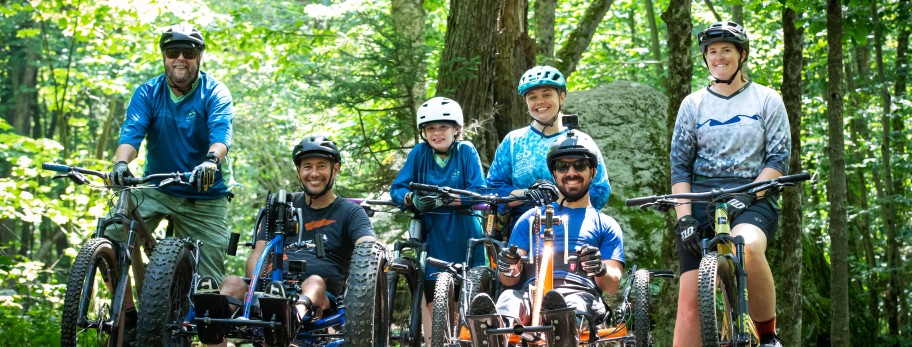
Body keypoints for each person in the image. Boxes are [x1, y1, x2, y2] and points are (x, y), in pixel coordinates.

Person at [670, 21, 791, 347]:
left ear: (742, 55)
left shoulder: (766, 99)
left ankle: (768, 336)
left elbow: (778, 161)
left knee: (747, 246)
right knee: (689, 305)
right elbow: (680, 169)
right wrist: (684, 218)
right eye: (712, 52)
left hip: (754, 195)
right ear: (705, 58)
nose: (719, 57)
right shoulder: (692, 104)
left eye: (726, 50)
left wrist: (748, 196)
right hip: (701, 198)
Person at [201, 135, 378, 346]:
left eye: (321, 166)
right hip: (271, 290)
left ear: (335, 169)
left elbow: (367, 243)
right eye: (307, 167)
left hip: (321, 296)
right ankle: (211, 321)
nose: (314, 173)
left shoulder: (350, 212)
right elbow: (258, 253)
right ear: (299, 171)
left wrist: (375, 249)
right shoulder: (280, 206)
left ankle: (290, 317)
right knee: (232, 282)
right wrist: (258, 286)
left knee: (314, 282)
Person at [109, 24, 234, 281]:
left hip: (204, 195)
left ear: (199, 56)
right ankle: (127, 313)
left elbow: (221, 134)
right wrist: (121, 164)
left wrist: (211, 162)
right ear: (164, 56)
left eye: (188, 53)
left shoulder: (214, 92)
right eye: (172, 52)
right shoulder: (147, 92)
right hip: (157, 187)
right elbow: (132, 134)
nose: (180, 59)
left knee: (208, 285)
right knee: (110, 237)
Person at [469, 131, 625, 334]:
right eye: (562, 167)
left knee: (571, 305)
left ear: (592, 173)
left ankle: (562, 329)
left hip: (581, 294)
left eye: (579, 165)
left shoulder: (606, 224)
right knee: (508, 299)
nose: (571, 173)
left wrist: (600, 268)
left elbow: (612, 286)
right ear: (554, 174)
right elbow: (509, 281)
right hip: (530, 293)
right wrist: (508, 266)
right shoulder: (529, 219)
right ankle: (494, 333)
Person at [486, 65, 611, 239]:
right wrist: (526, 194)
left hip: (573, 228)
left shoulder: (581, 141)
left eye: (546, 94)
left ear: (561, 97)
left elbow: (600, 190)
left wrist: (558, 195)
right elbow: (493, 189)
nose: (540, 102)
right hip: (523, 231)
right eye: (532, 97)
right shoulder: (513, 141)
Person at [389, 97, 487, 313]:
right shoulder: (419, 153)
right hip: (433, 236)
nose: (437, 133)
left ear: (456, 129)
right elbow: (397, 189)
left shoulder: (466, 151)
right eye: (430, 128)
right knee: (435, 301)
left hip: (466, 233)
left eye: (443, 127)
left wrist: (444, 199)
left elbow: (479, 191)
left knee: (469, 303)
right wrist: (411, 199)